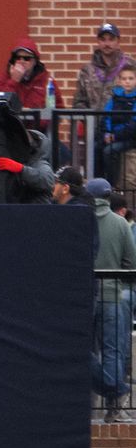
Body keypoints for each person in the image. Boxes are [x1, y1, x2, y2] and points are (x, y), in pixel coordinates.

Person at [85, 177, 136, 422]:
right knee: (113, 350)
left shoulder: (78, 221)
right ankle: (115, 400)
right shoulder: (121, 224)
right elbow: (131, 264)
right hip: (113, 295)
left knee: (82, 349)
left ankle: (104, 390)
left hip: (83, 296)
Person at [76, 22, 136, 111]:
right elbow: (79, 101)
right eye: (103, 39)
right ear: (98, 42)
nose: (107, 43)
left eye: (111, 39)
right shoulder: (87, 70)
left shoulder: (131, 65)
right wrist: (88, 119)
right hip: (93, 123)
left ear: (118, 41)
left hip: (123, 123)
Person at [0, 38, 63, 111]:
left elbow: (58, 108)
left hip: (36, 121)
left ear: (35, 61)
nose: (21, 61)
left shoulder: (46, 81)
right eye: (18, 58)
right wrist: (14, 81)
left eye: (27, 58)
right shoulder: (2, 79)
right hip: (11, 121)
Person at [101, 66, 136, 185]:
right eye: (124, 78)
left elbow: (133, 125)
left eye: (131, 78)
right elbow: (106, 116)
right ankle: (98, 181)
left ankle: (111, 184)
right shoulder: (115, 97)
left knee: (109, 151)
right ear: (119, 81)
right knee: (96, 146)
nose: (127, 81)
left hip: (130, 138)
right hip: (113, 135)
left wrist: (115, 136)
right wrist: (107, 133)